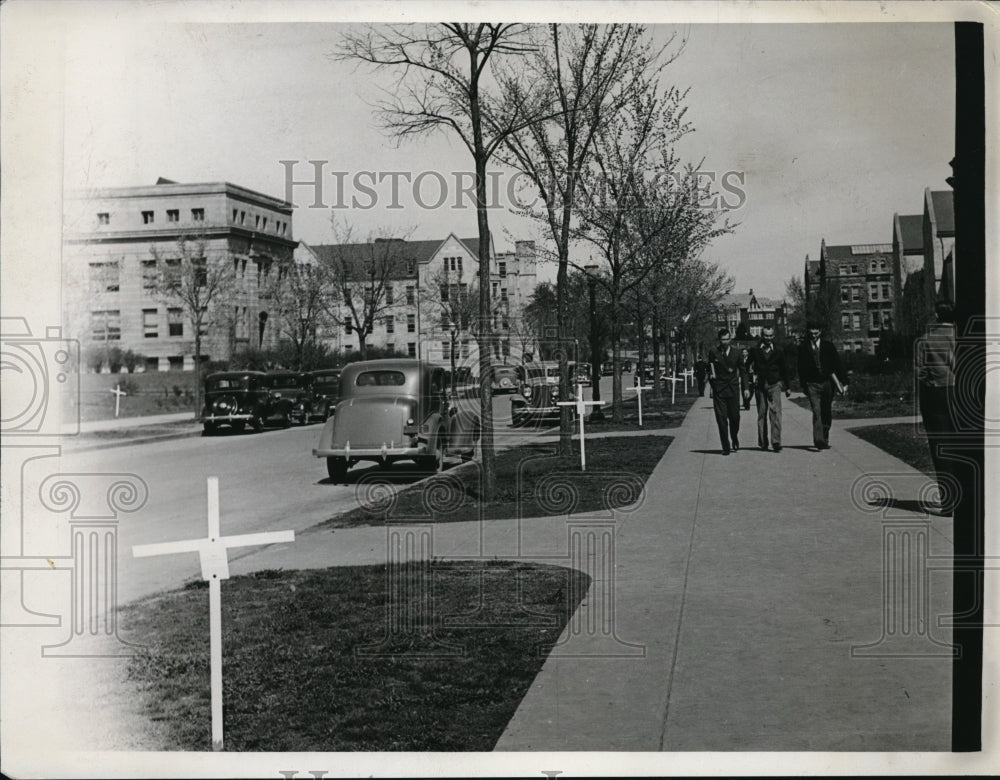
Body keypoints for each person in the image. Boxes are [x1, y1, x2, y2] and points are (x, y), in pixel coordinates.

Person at [916, 300, 957, 514]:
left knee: (941, 448)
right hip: (961, 394)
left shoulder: (926, 340)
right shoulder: (964, 338)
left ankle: (949, 502)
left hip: (936, 395)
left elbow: (920, 373)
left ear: (937, 315)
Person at [796, 321, 848, 450]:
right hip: (812, 384)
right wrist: (804, 385)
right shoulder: (803, 347)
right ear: (808, 332)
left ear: (820, 332)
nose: (814, 335)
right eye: (811, 333)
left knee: (826, 411)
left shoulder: (828, 346)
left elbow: (837, 364)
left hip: (827, 383)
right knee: (816, 411)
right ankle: (818, 440)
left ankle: (824, 436)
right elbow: (800, 368)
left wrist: (845, 382)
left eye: (816, 333)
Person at [748, 326, 791, 452]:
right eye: (766, 336)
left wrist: (787, 386)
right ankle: (763, 442)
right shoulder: (755, 350)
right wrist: (751, 378)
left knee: (776, 413)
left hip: (774, 384)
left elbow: (784, 369)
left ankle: (776, 441)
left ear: (774, 336)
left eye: (771, 335)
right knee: (762, 413)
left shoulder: (779, 350)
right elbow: (746, 366)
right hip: (760, 385)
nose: (768, 338)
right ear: (762, 335)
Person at [708, 329, 750, 455]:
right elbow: (710, 368)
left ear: (730, 339)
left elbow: (743, 371)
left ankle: (734, 436)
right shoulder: (714, 352)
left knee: (735, 418)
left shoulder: (737, 353)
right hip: (719, 390)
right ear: (719, 340)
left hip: (733, 389)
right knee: (721, 419)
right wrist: (712, 383)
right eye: (722, 340)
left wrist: (746, 388)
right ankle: (725, 446)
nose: (725, 342)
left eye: (727, 339)